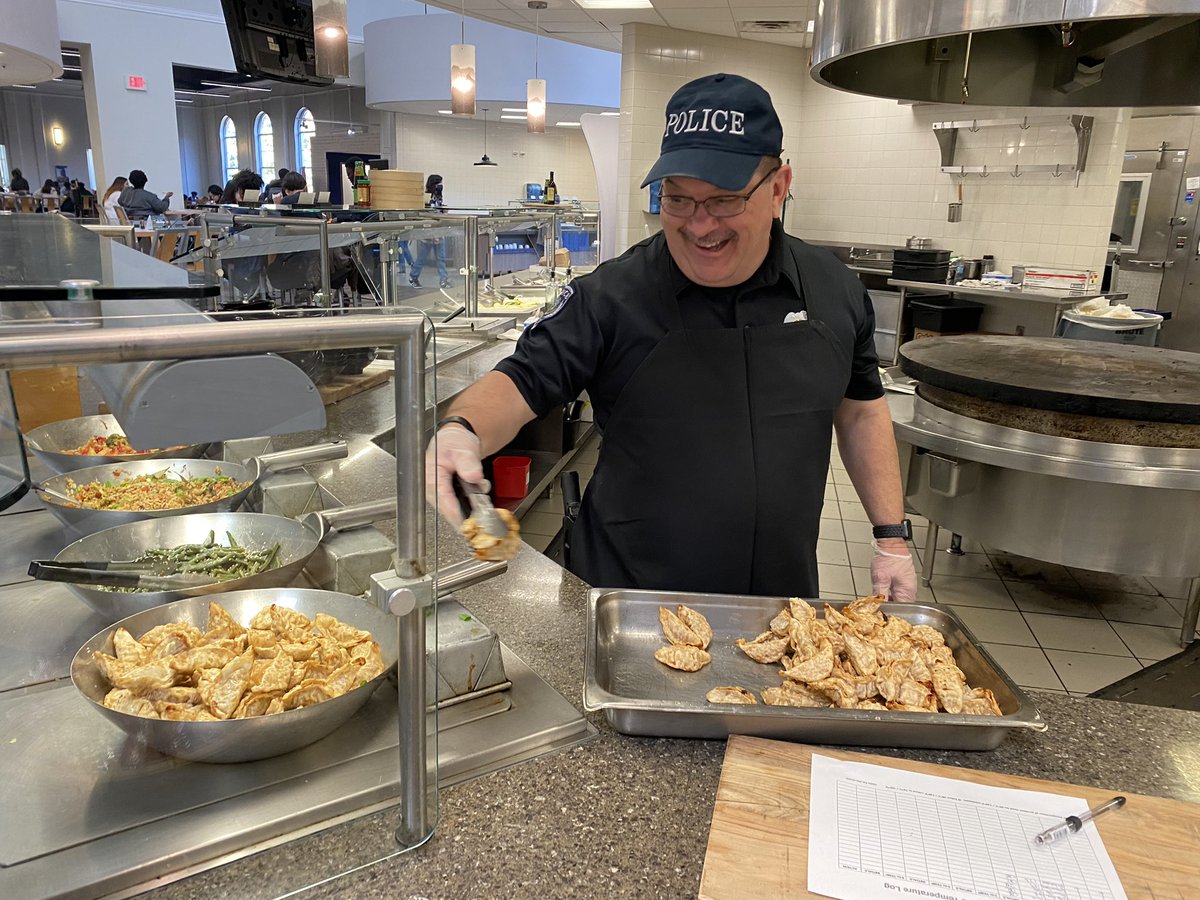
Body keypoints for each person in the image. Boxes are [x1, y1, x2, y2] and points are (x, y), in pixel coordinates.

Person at [427, 73, 917, 602]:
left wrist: (891, 536)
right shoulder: (612, 296)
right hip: (626, 601)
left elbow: (862, 409)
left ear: (778, 188)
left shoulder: (833, 290)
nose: (699, 225)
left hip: (778, 601)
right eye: (678, 199)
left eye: (725, 200)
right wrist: (461, 429)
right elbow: (522, 381)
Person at [409, 174, 450, 288]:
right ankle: (413, 277)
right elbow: (427, 214)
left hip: (439, 233)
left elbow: (439, 211)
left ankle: (444, 279)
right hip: (428, 234)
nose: (441, 186)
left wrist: (444, 212)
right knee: (422, 258)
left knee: (441, 259)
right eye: (439, 184)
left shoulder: (439, 197)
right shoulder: (426, 197)